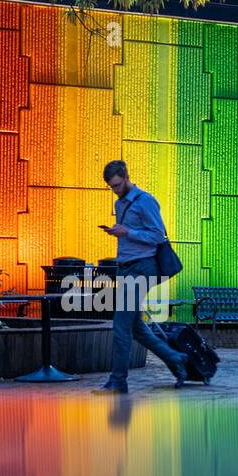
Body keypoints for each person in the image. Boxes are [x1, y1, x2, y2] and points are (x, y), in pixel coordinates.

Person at [94, 159, 189, 394]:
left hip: (143, 268)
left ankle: (118, 381)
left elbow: (158, 235)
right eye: (111, 187)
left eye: (117, 185)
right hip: (125, 268)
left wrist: (128, 231)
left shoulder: (145, 200)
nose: (114, 190)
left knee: (120, 325)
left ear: (126, 176)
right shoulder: (120, 204)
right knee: (135, 327)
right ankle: (177, 358)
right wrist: (118, 233)